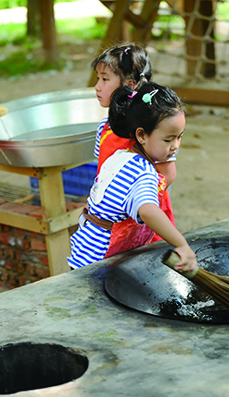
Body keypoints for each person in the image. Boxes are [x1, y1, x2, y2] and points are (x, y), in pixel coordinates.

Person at [68, 83, 197, 273]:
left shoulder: (120, 157)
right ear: (142, 135)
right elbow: (148, 211)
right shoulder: (143, 172)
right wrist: (181, 244)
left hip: (83, 254)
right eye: (168, 140)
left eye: (179, 137)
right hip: (97, 265)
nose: (175, 145)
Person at [92, 43, 177, 256]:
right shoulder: (104, 128)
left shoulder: (147, 130)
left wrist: (141, 202)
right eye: (97, 78)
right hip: (117, 220)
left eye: (104, 79)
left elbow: (168, 172)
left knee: (152, 264)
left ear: (129, 85)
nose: (97, 86)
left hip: (146, 216)